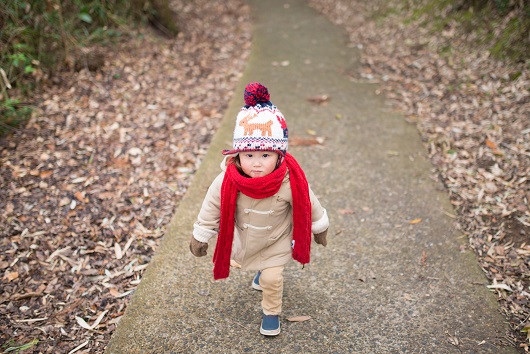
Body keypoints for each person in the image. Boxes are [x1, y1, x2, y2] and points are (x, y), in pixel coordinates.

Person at [189, 82, 329, 336]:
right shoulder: (227, 181)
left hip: (276, 239)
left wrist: (319, 228)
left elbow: (309, 204)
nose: (256, 164)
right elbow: (211, 206)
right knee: (260, 268)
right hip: (246, 238)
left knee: (272, 279)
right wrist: (201, 235)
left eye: (265, 156)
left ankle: (271, 313)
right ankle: (261, 270)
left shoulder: (289, 181)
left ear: (279, 156)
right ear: (237, 155)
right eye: (249, 156)